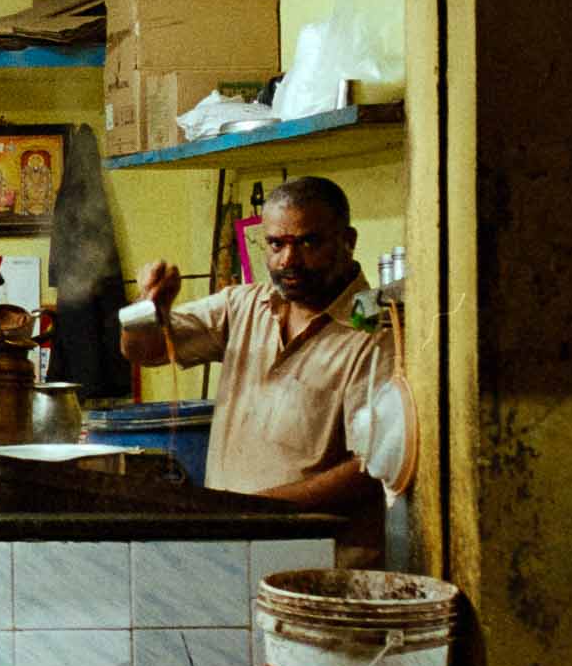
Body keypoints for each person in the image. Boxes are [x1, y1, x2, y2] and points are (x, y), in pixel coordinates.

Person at [121, 176, 384, 558]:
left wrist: (257, 511)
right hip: (230, 545)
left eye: (308, 242)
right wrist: (148, 307)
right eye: (276, 244)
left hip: (317, 560)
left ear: (348, 240)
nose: (288, 260)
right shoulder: (244, 306)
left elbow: (372, 468)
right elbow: (142, 351)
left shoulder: (375, 330)